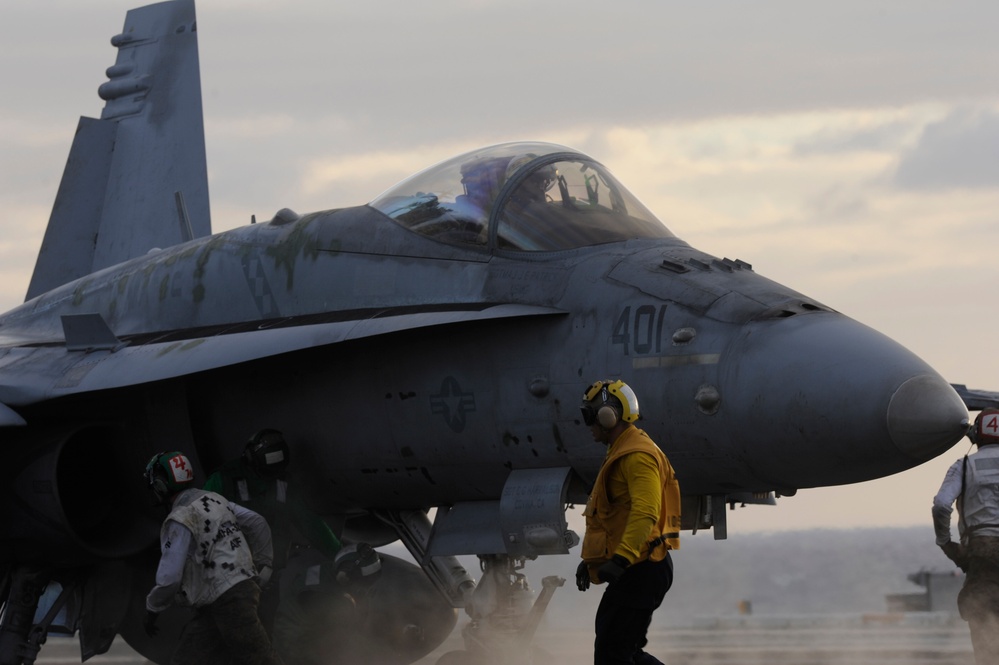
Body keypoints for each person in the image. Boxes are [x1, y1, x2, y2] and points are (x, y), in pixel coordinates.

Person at [143, 450, 284, 665]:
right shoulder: (216, 500)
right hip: (220, 599)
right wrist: (264, 566)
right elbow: (258, 523)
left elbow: (170, 577)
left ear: (162, 485)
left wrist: (153, 608)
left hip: (228, 599)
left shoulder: (180, 518)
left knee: (260, 659)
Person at [575, 379, 681, 665]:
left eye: (590, 415)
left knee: (614, 654)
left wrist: (620, 560)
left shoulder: (636, 455)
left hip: (641, 568)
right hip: (638, 567)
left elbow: (646, 512)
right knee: (621, 651)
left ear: (608, 416)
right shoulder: (622, 450)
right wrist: (592, 561)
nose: (588, 424)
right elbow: (615, 518)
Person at [203, 429, 342, 630]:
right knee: (229, 631)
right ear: (251, 458)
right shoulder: (224, 479)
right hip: (229, 578)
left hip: (268, 575)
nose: (270, 479)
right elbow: (200, 522)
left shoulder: (283, 482)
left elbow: (309, 523)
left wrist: (339, 555)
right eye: (266, 472)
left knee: (264, 627)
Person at [933, 407, 999, 664]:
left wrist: (945, 543)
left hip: (980, 556)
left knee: (985, 643)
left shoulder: (963, 466)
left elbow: (941, 504)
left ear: (975, 436)